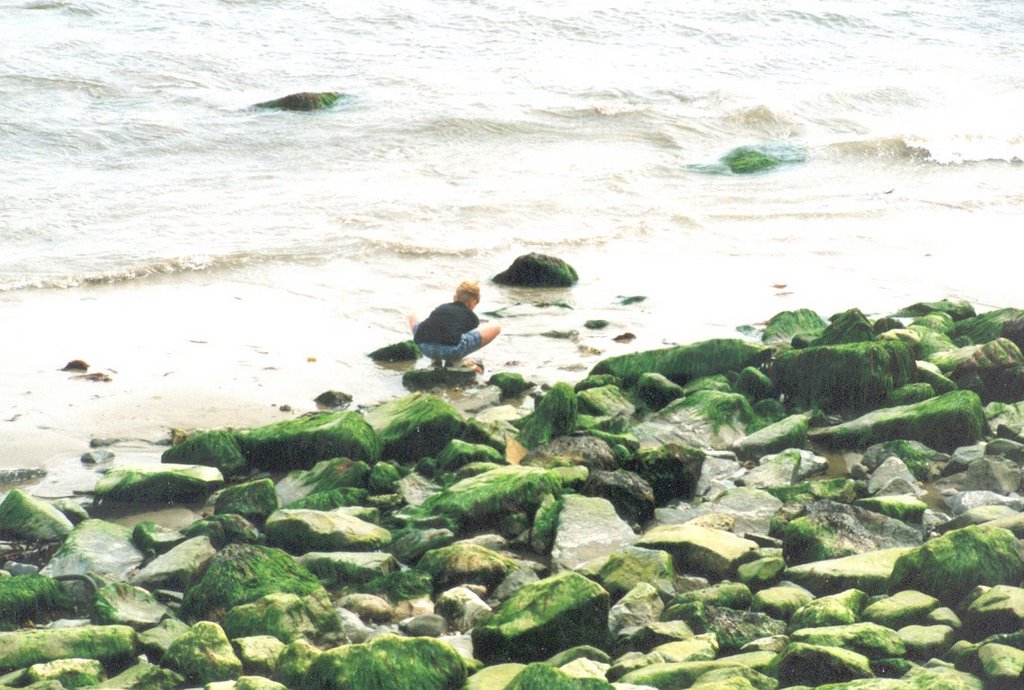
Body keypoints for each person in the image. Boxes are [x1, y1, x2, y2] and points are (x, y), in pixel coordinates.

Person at [408, 280, 500, 373]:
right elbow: (461, 333)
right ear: (472, 302)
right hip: (450, 351)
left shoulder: (441, 307)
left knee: (415, 318)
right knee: (496, 327)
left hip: (425, 347)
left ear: (454, 298)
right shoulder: (473, 318)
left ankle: (435, 361)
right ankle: (455, 361)